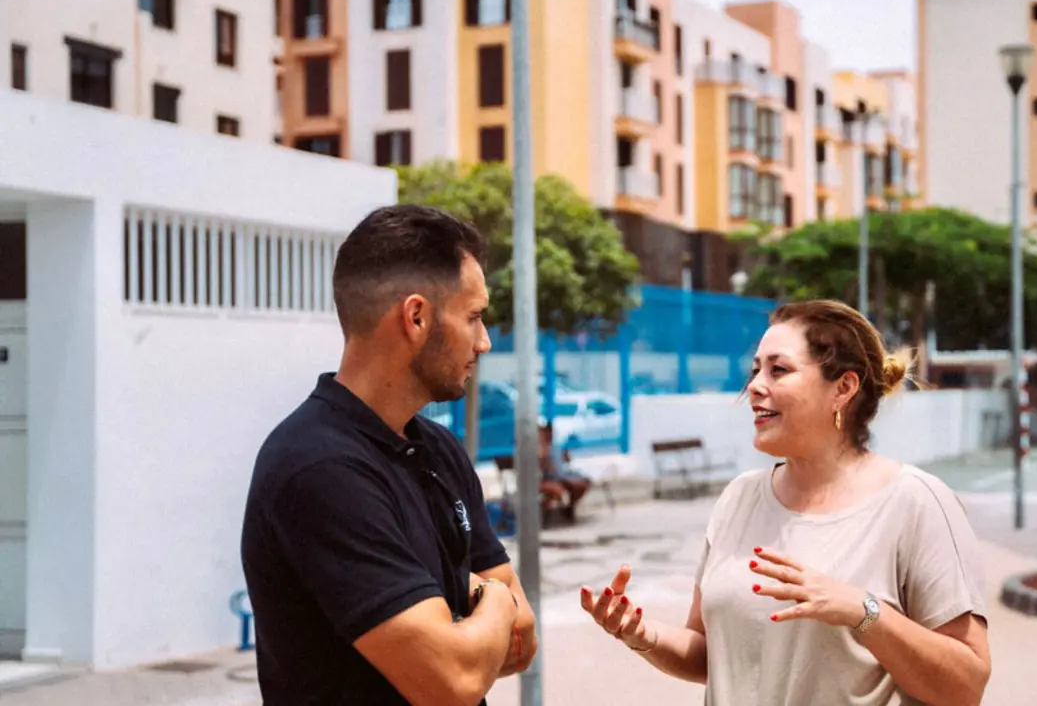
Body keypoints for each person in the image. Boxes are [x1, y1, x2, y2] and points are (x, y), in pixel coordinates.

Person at [580, 299, 991, 706]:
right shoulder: (738, 498)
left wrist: (864, 611)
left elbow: (964, 685)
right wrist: (641, 634)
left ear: (843, 388)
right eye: (756, 368)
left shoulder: (915, 502)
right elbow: (711, 654)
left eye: (779, 369)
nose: (756, 385)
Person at [240, 204, 536, 705]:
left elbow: (519, 642)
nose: (484, 341)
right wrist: (497, 597)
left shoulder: (437, 449)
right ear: (416, 316)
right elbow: (455, 681)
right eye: (473, 317)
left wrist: (483, 608)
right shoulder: (319, 468)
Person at [538, 423, 591, 521]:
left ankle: (568, 509)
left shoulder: (555, 448)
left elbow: (565, 461)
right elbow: (545, 470)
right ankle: (558, 512)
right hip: (552, 479)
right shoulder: (541, 450)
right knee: (567, 487)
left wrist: (566, 452)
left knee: (582, 484)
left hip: (559, 477)